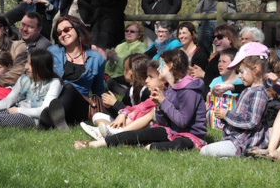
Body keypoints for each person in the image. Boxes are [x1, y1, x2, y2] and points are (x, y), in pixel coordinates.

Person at [73, 49, 207, 151]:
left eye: (162, 64)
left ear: (170, 65)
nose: (159, 68)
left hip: (190, 135)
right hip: (171, 130)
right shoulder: (170, 88)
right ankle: (94, 144)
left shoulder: (189, 90)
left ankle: (150, 146)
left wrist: (163, 101)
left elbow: (182, 122)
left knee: (177, 144)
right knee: (138, 134)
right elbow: (163, 122)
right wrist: (159, 106)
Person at [201, 42, 270, 157]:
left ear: (256, 69)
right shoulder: (249, 90)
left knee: (205, 151)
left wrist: (227, 115)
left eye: (241, 71)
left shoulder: (258, 93)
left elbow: (251, 121)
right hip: (236, 139)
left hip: (244, 143)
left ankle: (247, 155)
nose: (239, 76)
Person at [43, 15, 106, 129]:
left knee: (70, 88)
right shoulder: (52, 52)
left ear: (77, 28)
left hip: (79, 106)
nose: (63, 34)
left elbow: (98, 90)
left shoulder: (97, 59)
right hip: (54, 98)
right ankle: (53, 118)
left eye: (66, 29)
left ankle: (49, 118)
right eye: (59, 33)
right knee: (66, 88)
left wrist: (109, 108)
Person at [189, 23, 240, 98]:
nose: (215, 40)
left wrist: (203, 74)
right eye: (213, 37)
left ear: (230, 39)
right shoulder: (214, 61)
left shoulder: (240, 58)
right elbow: (207, 86)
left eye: (219, 37)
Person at [105, 22, 147, 96]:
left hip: (128, 77)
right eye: (127, 31)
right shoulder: (119, 46)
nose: (129, 33)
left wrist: (116, 58)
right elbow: (109, 69)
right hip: (114, 76)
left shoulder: (140, 47)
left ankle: (124, 91)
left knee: (110, 82)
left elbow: (134, 66)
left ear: (139, 35)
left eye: (132, 31)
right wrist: (111, 59)